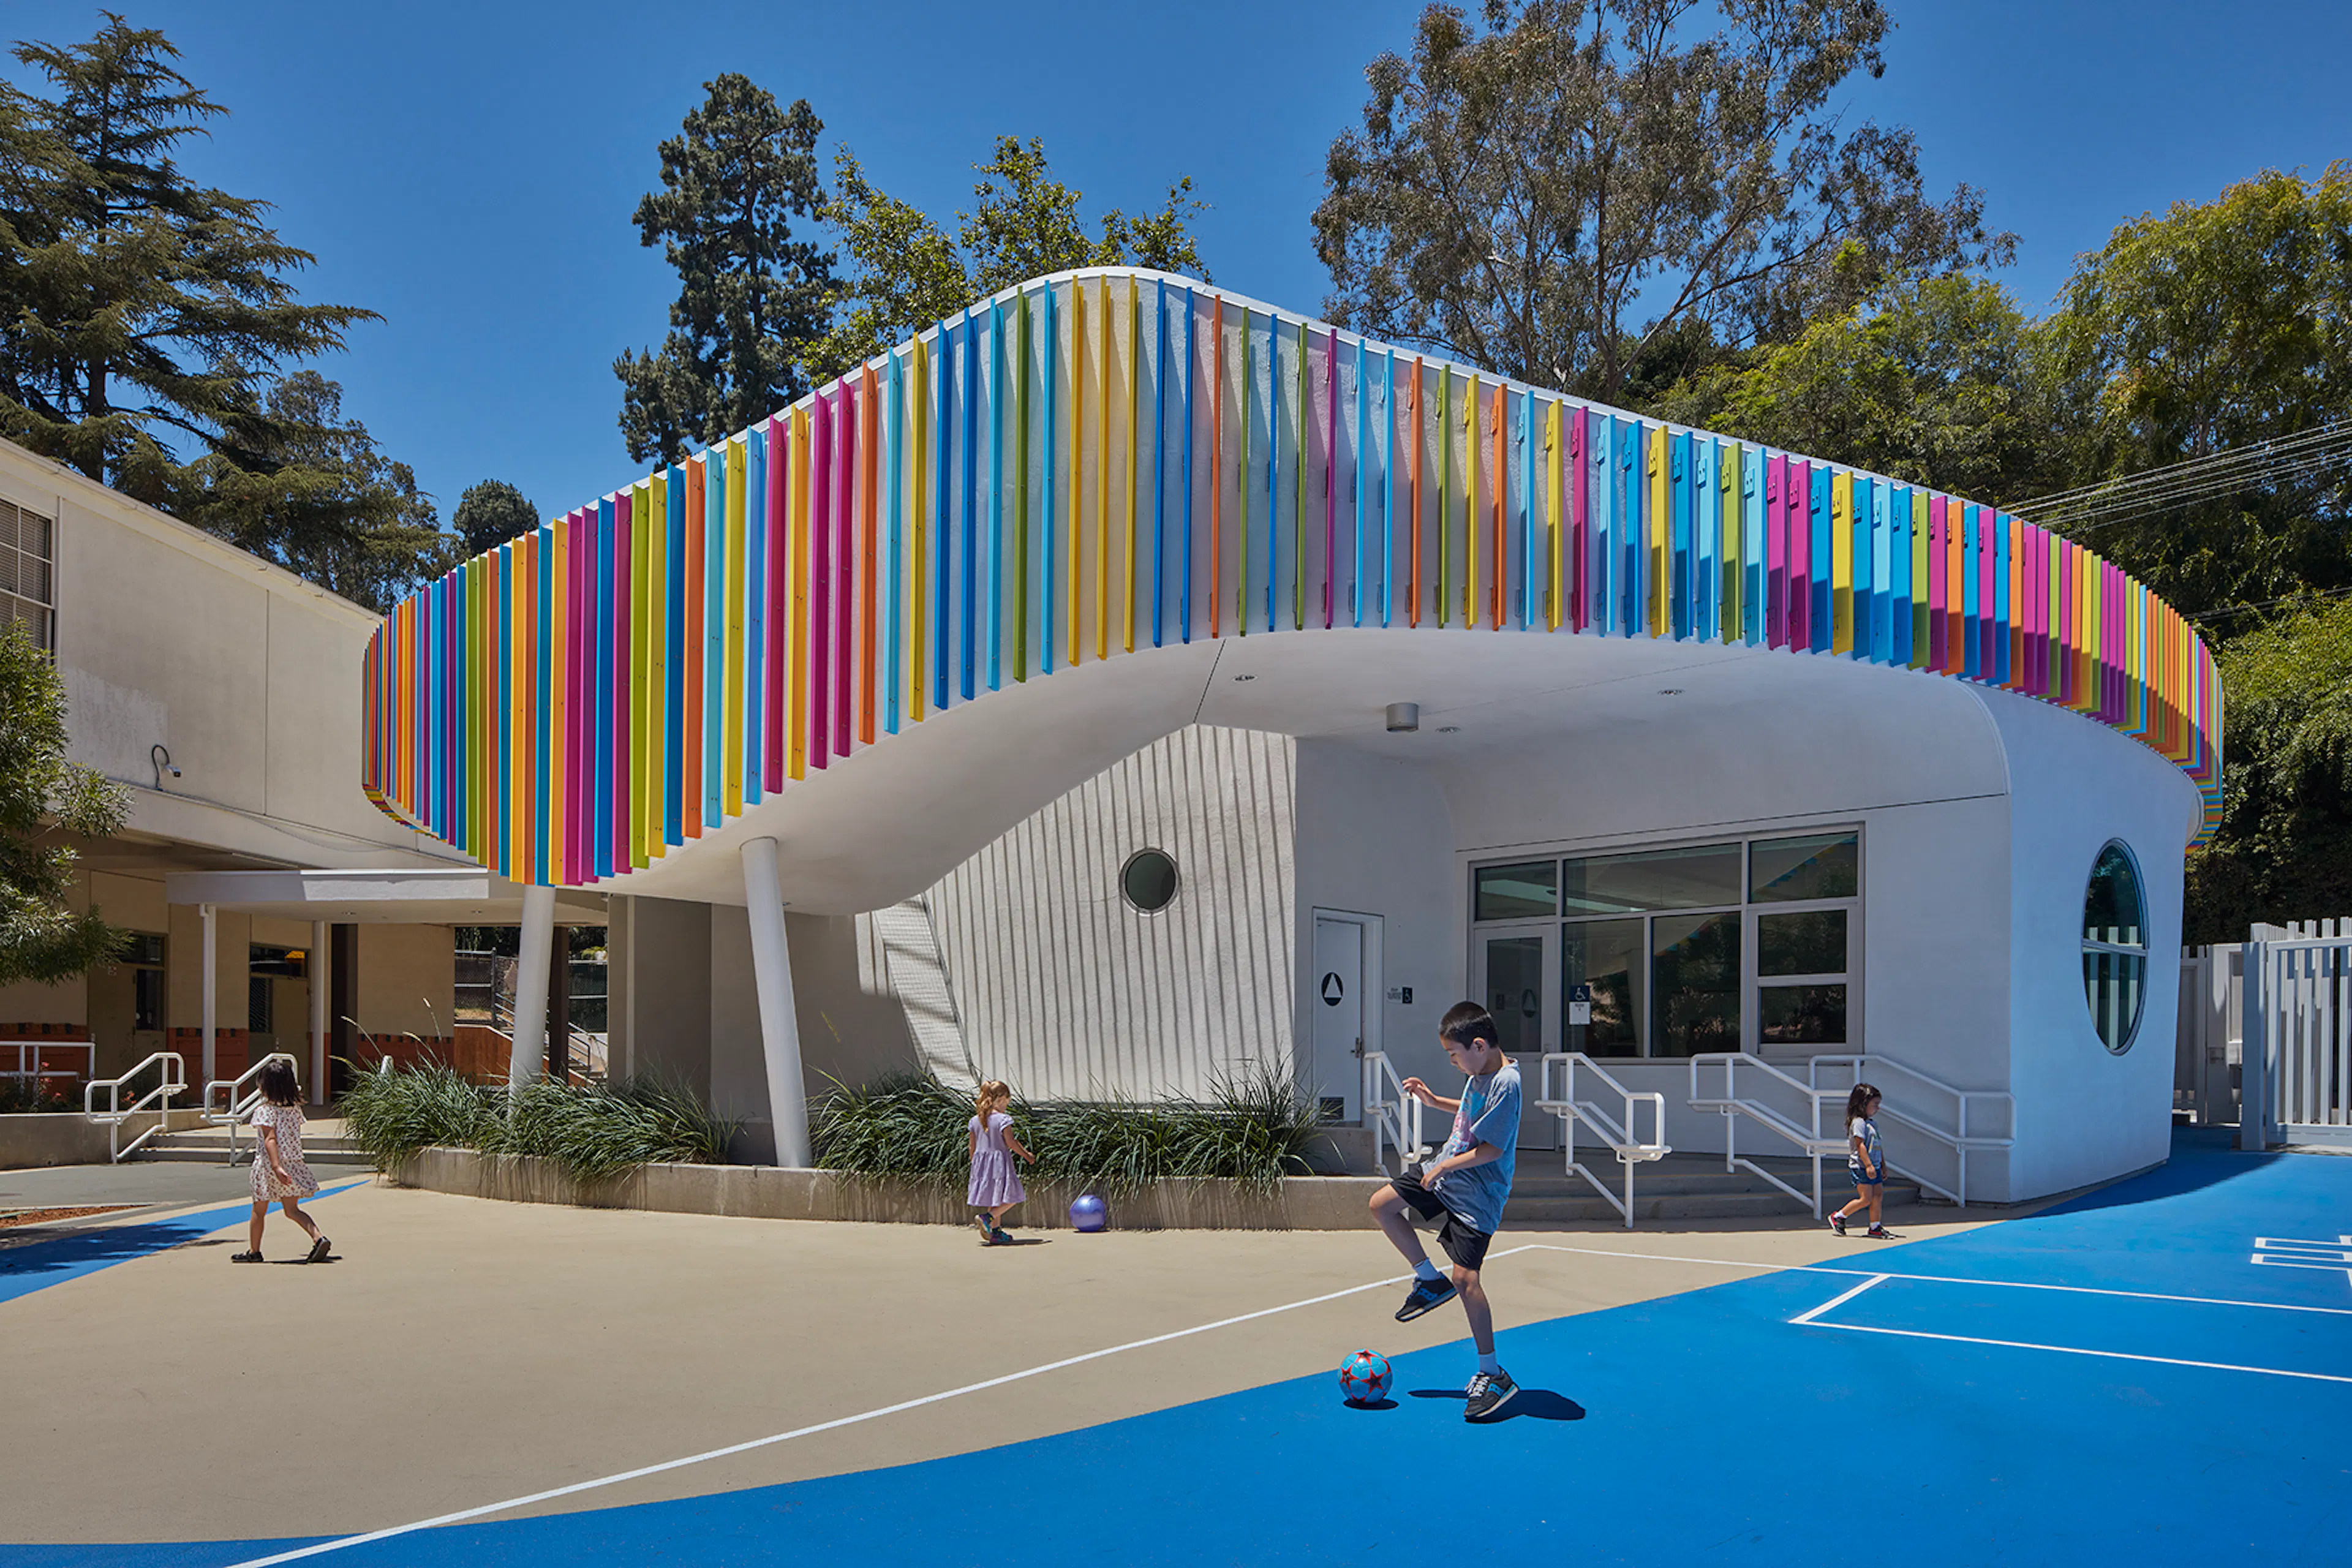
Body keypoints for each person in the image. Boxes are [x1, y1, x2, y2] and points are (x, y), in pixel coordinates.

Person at [1368, 1001, 1523, 1421]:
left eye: (1454, 1054)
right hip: (1448, 1174)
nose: (1453, 1062)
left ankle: (1493, 1374)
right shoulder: (1481, 1073)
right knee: (1382, 1206)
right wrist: (1434, 1100)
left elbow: (1493, 1147)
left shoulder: (1507, 1082)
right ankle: (1427, 1280)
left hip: (1477, 1192)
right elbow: (1473, 1113)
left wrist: (1443, 1167)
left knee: (1466, 1279)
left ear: (1479, 1044)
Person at [232, 1058, 330, 1264]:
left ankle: (254, 1251)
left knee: (259, 1210)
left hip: (269, 1166)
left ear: (265, 1086)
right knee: (292, 1210)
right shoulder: (295, 1109)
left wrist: (276, 1166)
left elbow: (270, 1139)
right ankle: (318, 1238)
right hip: (293, 1163)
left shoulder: (265, 1110)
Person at [967, 1079, 1035, 1246]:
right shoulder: (1004, 1119)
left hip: (981, 1164)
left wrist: (975, 1165)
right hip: (999, 1163)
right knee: (1014, 1195)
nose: (1007, 1106)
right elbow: (1011, 1142)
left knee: (994, 1197)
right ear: (1001, 1099)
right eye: (1007, 1102)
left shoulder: (976, 1120)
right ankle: (987, 1218)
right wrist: (1027, 1155)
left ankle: (996, 1233)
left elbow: (972, 1147)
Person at [1829, 1082, 1891, 1238]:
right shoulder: (1858, 1123)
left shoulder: (1873, 1124)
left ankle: (1875, 1226)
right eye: (1875, 1105)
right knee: (1866, 1199)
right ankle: (1839, 1216)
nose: (1878, 1108)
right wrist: (1868, 1165)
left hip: (1875, 1166)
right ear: (1863, 1104)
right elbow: (1860, 1145)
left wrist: (1882, 1165)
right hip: (1862, 1166)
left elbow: (1878, 1146)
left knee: (1878, 1196)